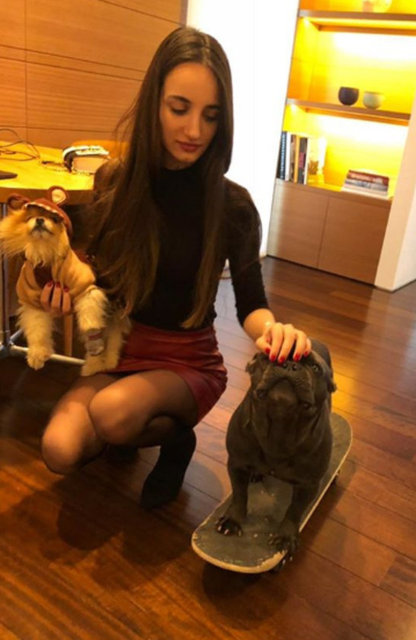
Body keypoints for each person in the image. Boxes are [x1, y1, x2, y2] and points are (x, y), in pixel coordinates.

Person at [40, 26, 311, 509]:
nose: (194, 131)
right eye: (179, 108)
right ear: (154, 105)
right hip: (122, 347)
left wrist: (274, 331)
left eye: (211, 115)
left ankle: (176, 441)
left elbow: (251, 304)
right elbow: (96, 278)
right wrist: (58, 291)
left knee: (113, 412)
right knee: (58, 449)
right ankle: (128, 430)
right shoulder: (114, 182)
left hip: (188, 360)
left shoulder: (233, 206)